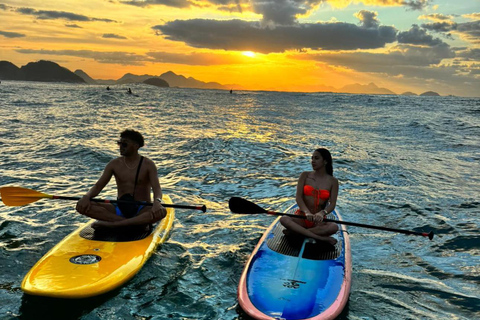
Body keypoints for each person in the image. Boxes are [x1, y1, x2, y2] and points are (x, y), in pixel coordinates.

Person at [76, 129, 166, 229]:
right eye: (119, 143)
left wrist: (157, 203)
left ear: (136, 146)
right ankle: (132, 223)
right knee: (84, 206)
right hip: (120, 207)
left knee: (162, 212)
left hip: (142, 208)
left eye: (125, 144)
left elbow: (157, 188)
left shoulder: (148, 164)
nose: (121, 147)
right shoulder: (113, 164)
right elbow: (98, 186)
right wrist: (86, 197)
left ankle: (115, 224)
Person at [280, 148, 339, 245]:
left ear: (325, 161)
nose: (313, 161)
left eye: (316, 158)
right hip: (302, 217)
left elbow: (332, 204)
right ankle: (321, 238)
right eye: (312, 158)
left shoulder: (333, 181)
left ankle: (297, 232)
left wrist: (322, 213)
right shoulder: (305, 175)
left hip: (318, 221)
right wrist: (306, 212)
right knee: (284, 219)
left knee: (334, 227)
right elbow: (298, 197)